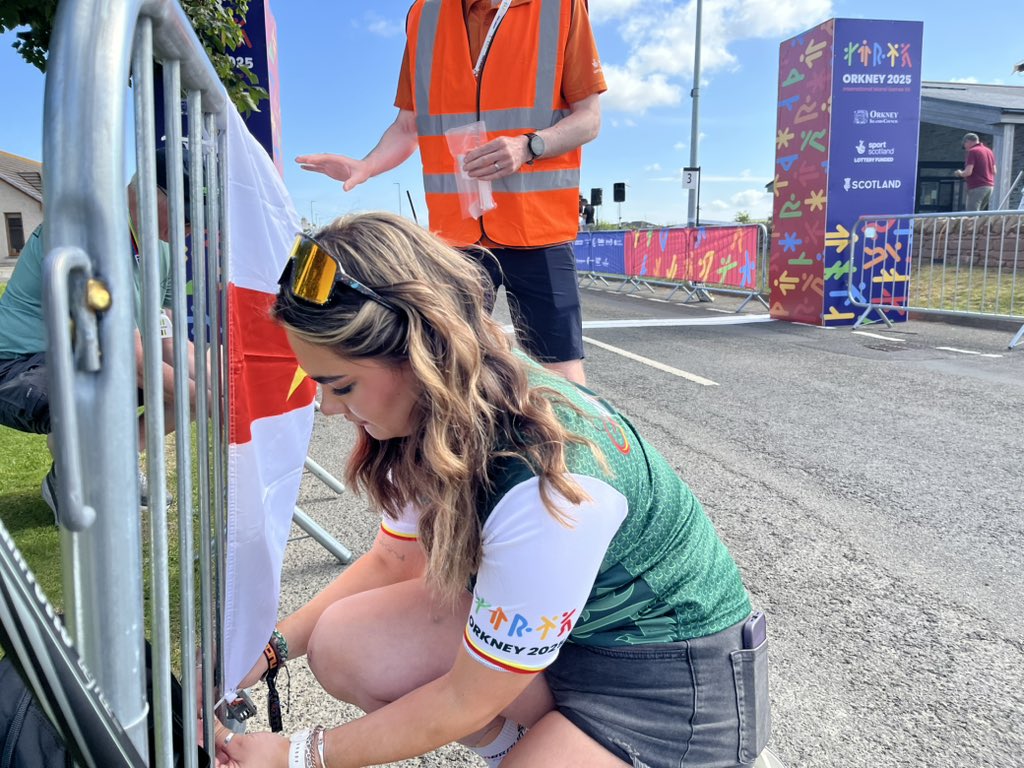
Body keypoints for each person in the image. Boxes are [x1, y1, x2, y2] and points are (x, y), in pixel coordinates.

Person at [216, 212, 772, 768]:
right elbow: (392, 559)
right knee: (344, 645)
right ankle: (532, 749)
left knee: (480, 700)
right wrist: (266, 653)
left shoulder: (545, 481)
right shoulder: (444, 407)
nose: (331, 409)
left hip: (669, 687)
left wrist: (297, 755)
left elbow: (467, 697)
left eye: (341, 385)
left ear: (418, 352)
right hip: (570, 644)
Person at [294, 0, 606, 386]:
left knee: (560, 374)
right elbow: (409, 125)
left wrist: (528, 146)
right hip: (456, 237)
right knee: (451, 369)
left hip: (539, 229)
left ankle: (564, 447)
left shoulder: (560, 7)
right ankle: (464, 449)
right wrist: (366, 165)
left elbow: (589, 118)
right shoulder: (424, 15)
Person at [0, 148, 199, 521]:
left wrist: (214, 387)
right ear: (149, 193)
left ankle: (116, 464)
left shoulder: (164, 249)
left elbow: (167, 341)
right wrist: (207, 402)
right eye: (187, 215)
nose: (191, 229)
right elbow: (130, 358)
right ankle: (73, 483)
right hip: (18, 363)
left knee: (190, 386)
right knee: (95, 388)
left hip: (86, 355)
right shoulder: (88, 234)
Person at [954, 133, 996, 211]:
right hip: (989, 187)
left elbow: (968, 172)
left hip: (977, 187)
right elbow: (994, 171)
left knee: (971, 215)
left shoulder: (973, 151)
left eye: (964, 145)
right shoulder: (989, 151)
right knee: (979, 214)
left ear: (968, 141)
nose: (965, 148)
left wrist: (959, 173)